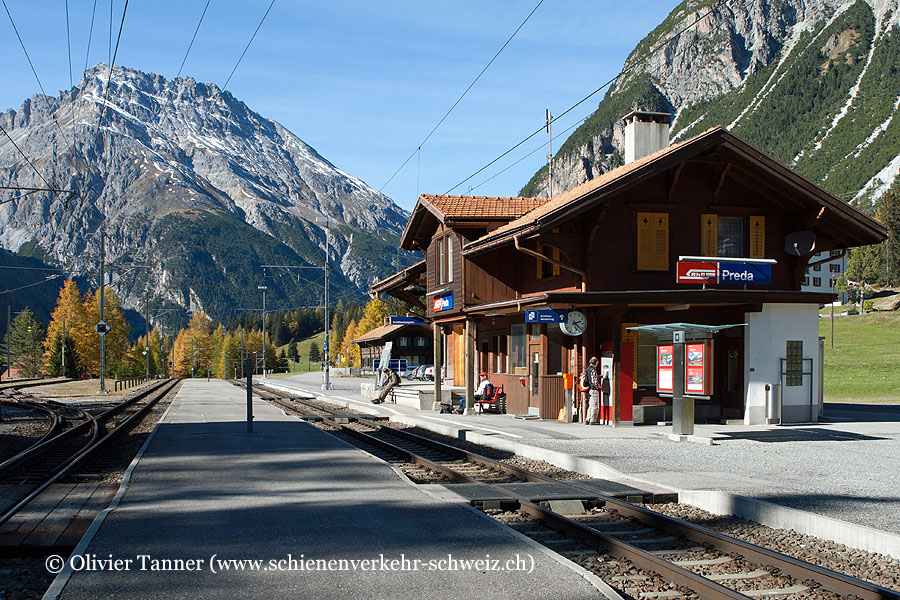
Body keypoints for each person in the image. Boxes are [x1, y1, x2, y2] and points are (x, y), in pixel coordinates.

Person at [585, 357, 601, 425]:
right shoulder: (593, 370)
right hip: (594, 390)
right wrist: (599, 387)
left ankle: (587, 419)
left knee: (591, 406)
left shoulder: (587, 369)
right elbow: (594, 381)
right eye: (597, 362)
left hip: (589, 390)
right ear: (596, 362)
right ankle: (593, 420)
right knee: (595, 406)